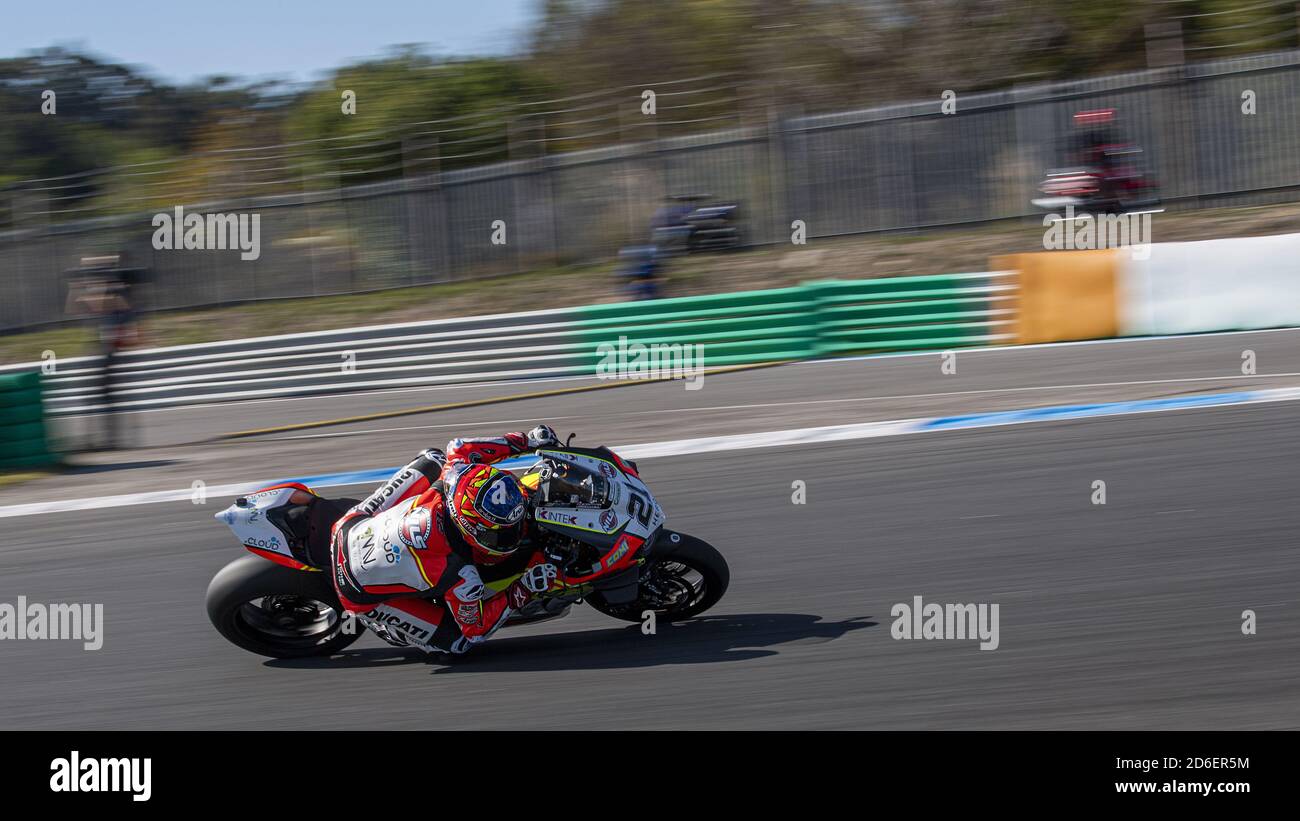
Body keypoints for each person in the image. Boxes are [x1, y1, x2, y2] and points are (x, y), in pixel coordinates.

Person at [329, 424, 563, 654]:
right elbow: (475, 629)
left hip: (350, 524)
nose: (518, 531)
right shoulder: (461, 575)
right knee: (459, 642)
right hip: (354, 588)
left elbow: (460, 447)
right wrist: (523, 589)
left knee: (433, 457)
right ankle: (386, 627)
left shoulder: (453, 475)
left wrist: (526, 442)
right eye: (503, 532)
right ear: (472, 531)